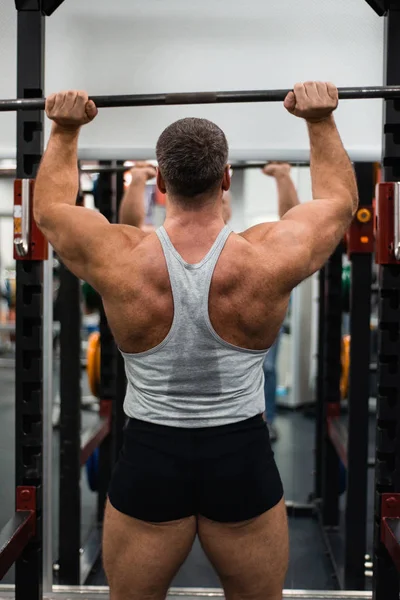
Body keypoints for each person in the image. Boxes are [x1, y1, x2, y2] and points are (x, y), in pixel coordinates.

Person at [33, 82, 358, 600]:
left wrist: (66, 128)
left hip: (150, 458)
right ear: (227, 178)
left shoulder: (120, 257)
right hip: (241, 458)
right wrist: (319, 121)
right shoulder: (267, 257)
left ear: (159, 181)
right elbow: (339, 202)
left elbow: (48, 208)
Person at [261, 162, 300, 441]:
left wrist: (282, 176)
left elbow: (293, 229)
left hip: (259, 317)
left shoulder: (248, 239)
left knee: (267, 367)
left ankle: (267, 420)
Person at [120, 161, 232, 227]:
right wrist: (138, 179)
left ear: (229, 212)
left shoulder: (238, 247)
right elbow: (130, 231)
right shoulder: (164, 242)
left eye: (222, 202)